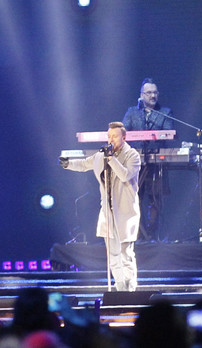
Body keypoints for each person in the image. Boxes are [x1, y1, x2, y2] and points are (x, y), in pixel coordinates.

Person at [59, 122, 141, 290]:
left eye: (115, 136)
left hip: (126, 212)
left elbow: (125, 175)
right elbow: (84, 164)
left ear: (123, 138)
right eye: (109, 136)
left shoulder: (132, 156)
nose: (111, 139)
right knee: (113, 254)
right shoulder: (100, 156)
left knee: (126, 254)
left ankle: (131, 289)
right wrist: (68, 164)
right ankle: (120, 288)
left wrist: (111, 159)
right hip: (107, 212)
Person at [121, 78, 174, 241]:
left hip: (156, 162)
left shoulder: (165, 112)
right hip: (135, 162)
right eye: (149, 93)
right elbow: (123, 133)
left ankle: (152, 233)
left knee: (155, 197)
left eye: (155, 92)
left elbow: (169, 133)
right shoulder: (132, 112)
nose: (153, 96)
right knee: (134, 197)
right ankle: (136, 233)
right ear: (141, 95)